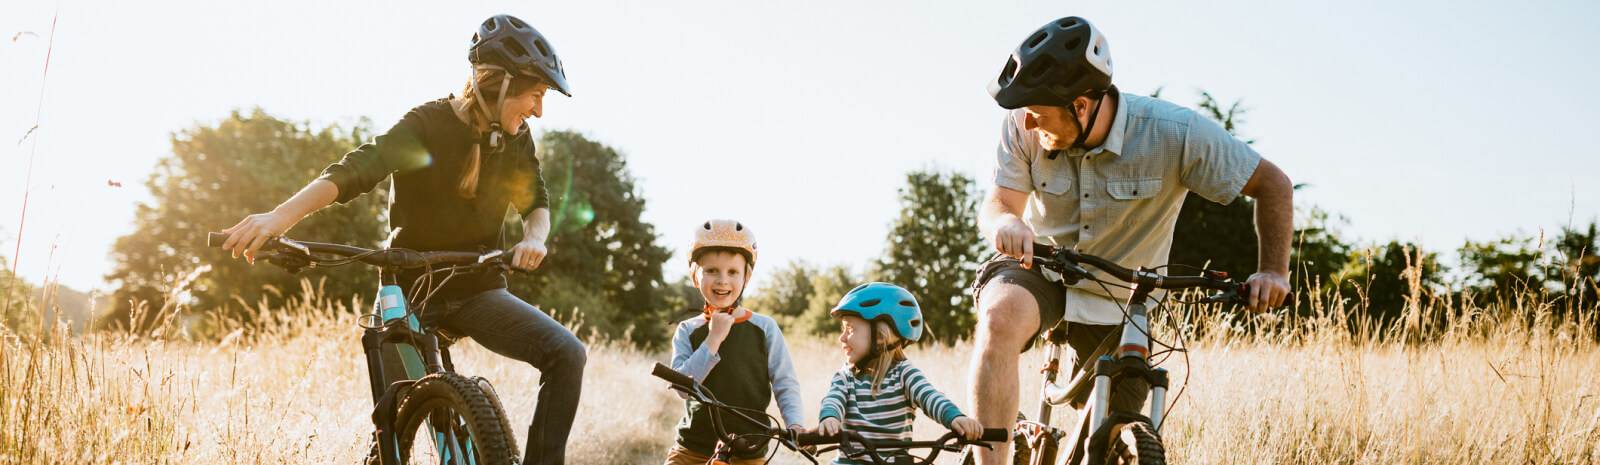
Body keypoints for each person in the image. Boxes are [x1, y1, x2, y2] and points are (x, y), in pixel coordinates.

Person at [220, 14, 583, 465]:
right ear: (502, 84)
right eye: (535, 95)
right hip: (408, 292)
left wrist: (536, 238)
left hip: (478, 290)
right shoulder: (427, 125)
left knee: (567, 353)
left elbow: (536, 200)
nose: (538, 109)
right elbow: (356, 170)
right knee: (392, 428)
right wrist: (279, 217)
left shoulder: (515, 139)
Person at [968, 16, 1294, 464]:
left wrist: (1274, 271)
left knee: (1109, 436)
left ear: (1081, 106)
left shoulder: (1175, 133)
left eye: (1038, 112)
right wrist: (1008, 223)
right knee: (999, 317)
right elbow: (997, 205)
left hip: (1123, 295)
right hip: (1042, 269)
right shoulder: (1025, 121)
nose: (1026, 120)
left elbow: (1273, 184)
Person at [665, 219, 807, 465]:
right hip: (692, 448)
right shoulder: (687, 329)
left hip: (749, 447)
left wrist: (795, 423)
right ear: (695, 275)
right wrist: (714, 338)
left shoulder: (764, 328)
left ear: (747, 276)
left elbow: (785, 381)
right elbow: (682, 388)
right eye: (711, 271)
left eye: (732, 272)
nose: (722, 280)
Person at [815, 283, 982, 465]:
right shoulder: (845, 377)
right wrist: (830, 418)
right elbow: (833, 399)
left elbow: (930, 396)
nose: (842, 337)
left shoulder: (904, 374)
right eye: (843, 329)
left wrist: (955, 417)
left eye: (850, 329)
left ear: (879, 336)